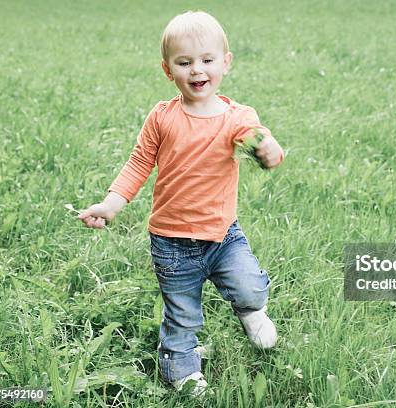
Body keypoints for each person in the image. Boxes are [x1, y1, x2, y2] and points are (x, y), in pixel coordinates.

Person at [77, 10, 284, 396]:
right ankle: (182, 370)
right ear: (167, 69)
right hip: (172, 244)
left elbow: (257, 136)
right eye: (184, 62)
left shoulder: (237, 116)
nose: (196, 70)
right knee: (182, 316)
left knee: (250, 288)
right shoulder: (162, 117)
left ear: (226, 62)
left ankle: (251, 313)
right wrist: (111, 204)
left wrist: (268, 149)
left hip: (224, 236)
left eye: (207, 60)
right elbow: (139, 163)